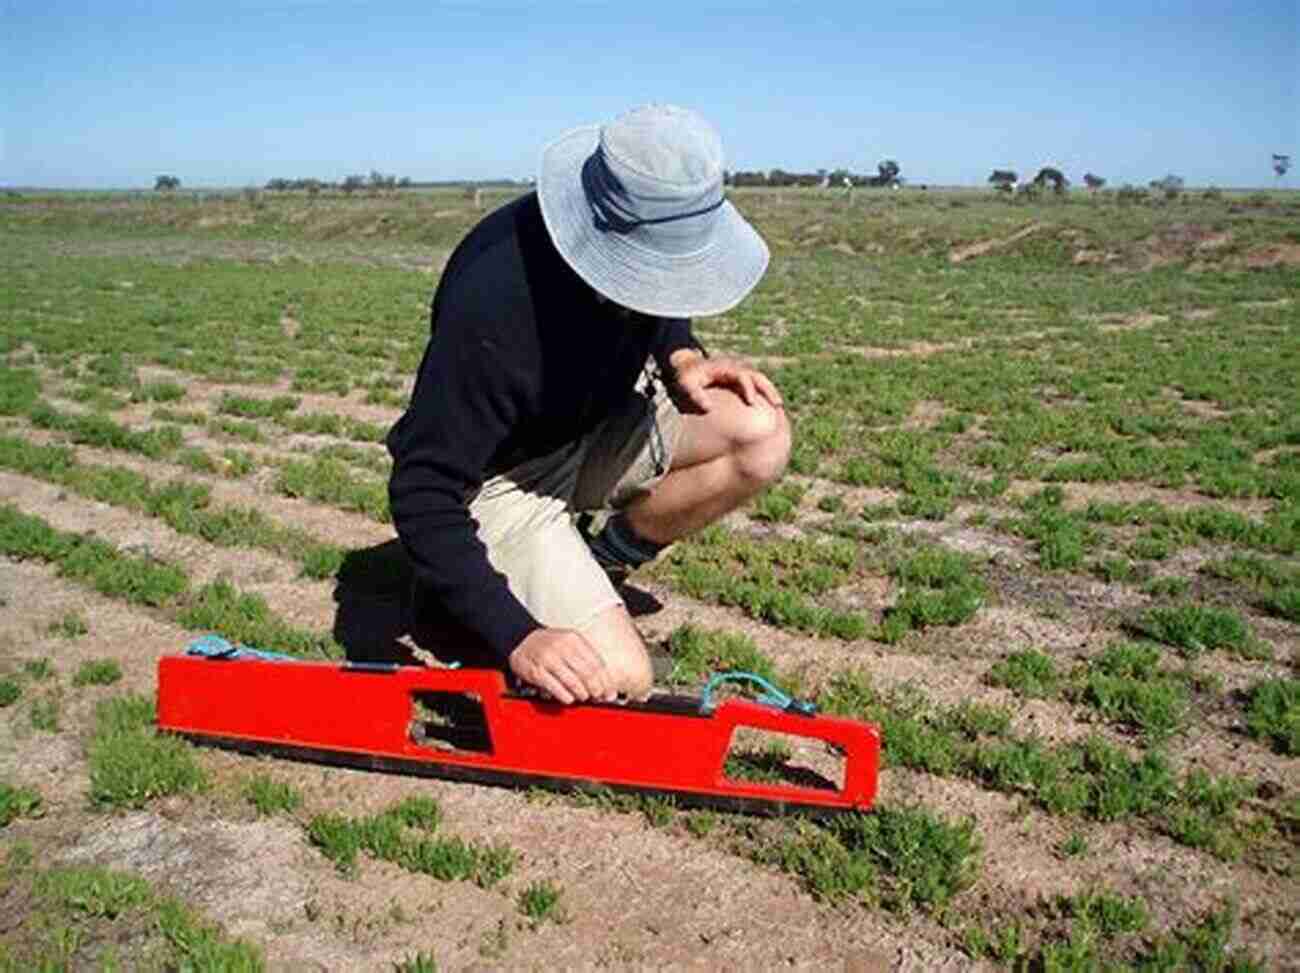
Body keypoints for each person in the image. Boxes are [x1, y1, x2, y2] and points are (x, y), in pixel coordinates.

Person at [386, 104, 789, 705]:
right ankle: (459, 600)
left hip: (591, 428)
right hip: (506, 480)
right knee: (617, 678)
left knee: (760, 434)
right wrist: (516, 634)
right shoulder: (494, 304)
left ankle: (599, 565)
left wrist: (681, 357)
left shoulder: (633, 248)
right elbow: (421, 487)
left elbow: (660, 288)